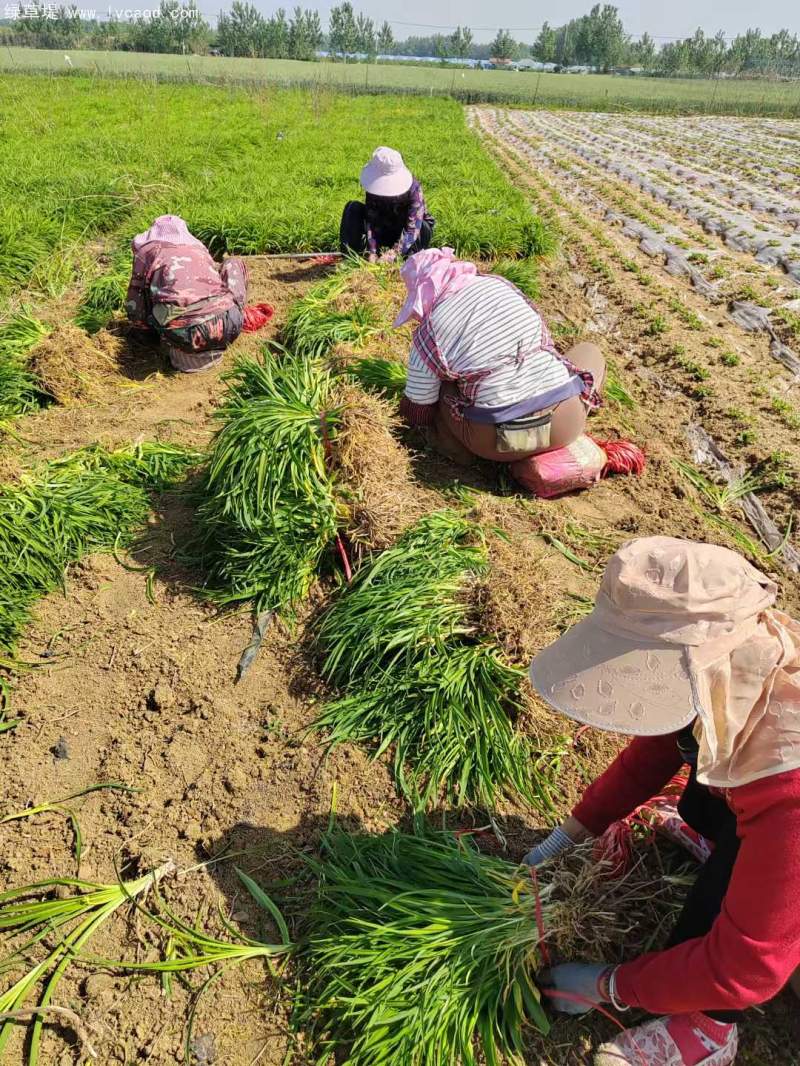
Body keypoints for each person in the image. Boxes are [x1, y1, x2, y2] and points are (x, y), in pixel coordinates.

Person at [524, 535, 800, 1066]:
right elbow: (652, 755)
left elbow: (745, 968)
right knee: (702, 791)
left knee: (727, 915)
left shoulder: (786, 779)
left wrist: (609, 985)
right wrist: (566, 835)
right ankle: (732, 853)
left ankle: (712, 1032)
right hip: (773, 818)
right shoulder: (729, 668)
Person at [393, 248, 604, 479]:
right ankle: (566, 432)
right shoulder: (502, 287)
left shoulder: (428, 333)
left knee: (441, 385)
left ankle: (460, 452)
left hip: (496, 443)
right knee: (588, 351)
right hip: (566, 424)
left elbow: (419, 409)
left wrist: (407, 420)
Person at [126, 215, 248, 373]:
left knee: (153, 299)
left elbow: (135, 303)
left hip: (185, 334)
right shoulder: (198, 248)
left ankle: (181, 343)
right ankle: (227, 322)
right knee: (233, 263)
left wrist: (144, 333)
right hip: (230, 324)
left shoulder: (147, 252)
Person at [340, 147, 434, 263]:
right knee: (352, 207)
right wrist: (372, 251)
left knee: (423, 226)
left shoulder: (413, 188)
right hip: (384, 230)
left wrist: (395, 252)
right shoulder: (373, 187)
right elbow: (371, 220)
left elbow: (413, 228)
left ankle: (408, 260)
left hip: (408, 235)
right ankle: (350, 259)